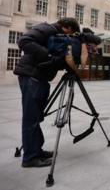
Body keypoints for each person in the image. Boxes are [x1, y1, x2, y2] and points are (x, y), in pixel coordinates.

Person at [14, 18, 80, 168]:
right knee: (31, 118)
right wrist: (49, 56)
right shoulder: (48, 29)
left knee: (36, 117)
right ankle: (30, 158)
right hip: (32, 77)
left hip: (39, 79)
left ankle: (36, 150)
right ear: (67, 27)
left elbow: (58, 59)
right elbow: (24, 41)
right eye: (72, 34)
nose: (71, 38)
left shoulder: (57, 37)